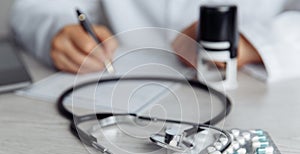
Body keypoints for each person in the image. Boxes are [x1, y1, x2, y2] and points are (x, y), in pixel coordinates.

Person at [10, 0, 300, 82]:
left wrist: (253, 43)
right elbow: (38, 6)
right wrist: (58, 31)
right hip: (123, 80)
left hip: (258, 90)